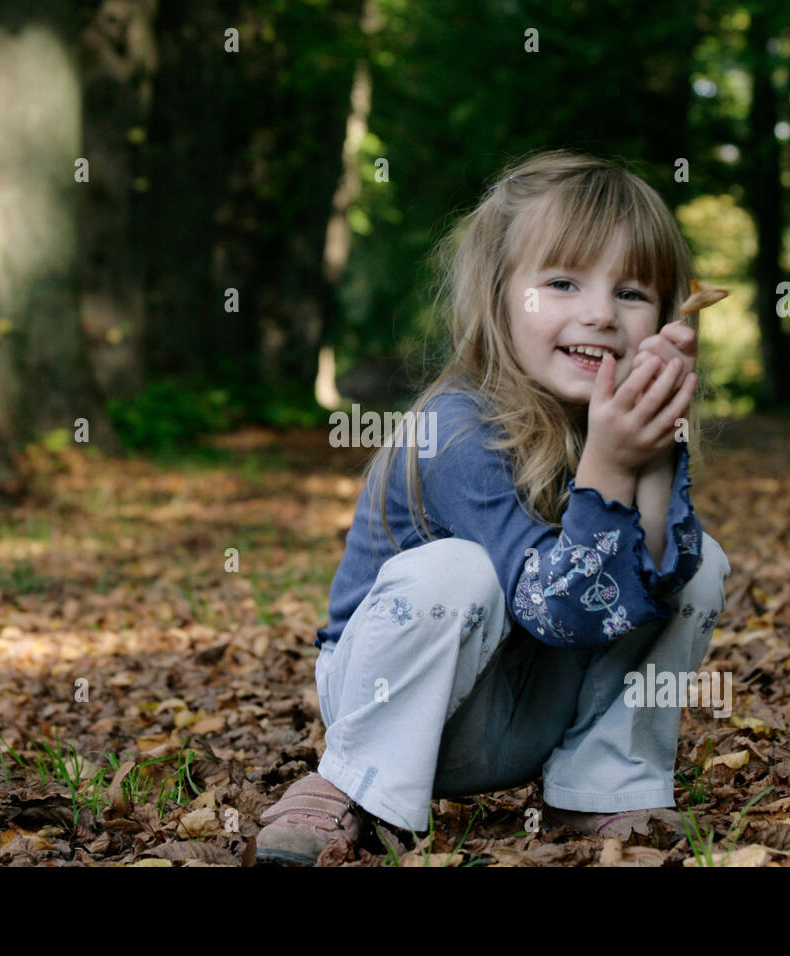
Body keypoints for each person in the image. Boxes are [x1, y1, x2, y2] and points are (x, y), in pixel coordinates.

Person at [256, 149, 731, 866]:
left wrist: (652, 458)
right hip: (404, 707)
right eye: (564, 282)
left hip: (530, 704)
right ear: (499, 296)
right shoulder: (454, 428)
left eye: (632, 294)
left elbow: (651, 587)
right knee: (457, 572)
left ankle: (600, 786)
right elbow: (555, 608)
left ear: (668, 318)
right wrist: (607, 470)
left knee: (693, 563)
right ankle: (350, 784)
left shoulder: (618, 425)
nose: (600, 314)